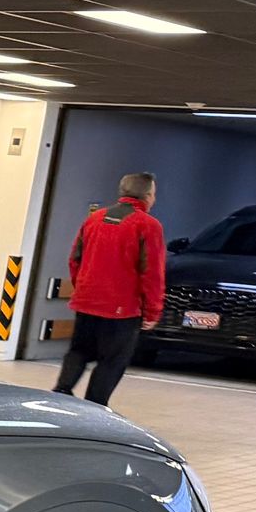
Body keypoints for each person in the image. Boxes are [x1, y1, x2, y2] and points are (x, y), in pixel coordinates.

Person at [52, 172, 165, 406]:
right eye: (154, 194)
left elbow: (75, 259)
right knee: (112, 360)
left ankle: (62, 391)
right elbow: (152, 272)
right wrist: (153, 311)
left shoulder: (95, 218)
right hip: (121, 308)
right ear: (147, 196)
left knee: (79, 350)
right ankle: (95, 406)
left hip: (87, 301)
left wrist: (82, 288)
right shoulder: (148, 226)